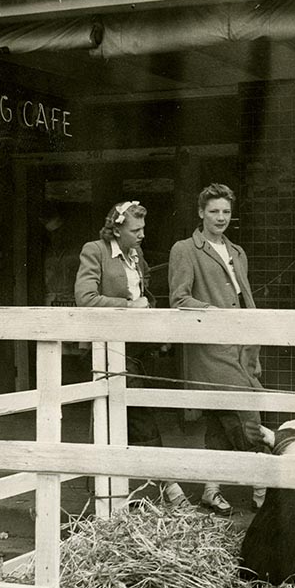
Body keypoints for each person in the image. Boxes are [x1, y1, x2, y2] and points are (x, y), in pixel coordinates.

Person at [75, 200, 186, 505]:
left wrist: (155, 329)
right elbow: (85, 299)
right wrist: (128, 306)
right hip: (109, 348)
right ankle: (169, 487)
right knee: (137, 415)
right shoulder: (95, 251)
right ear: (117, 228)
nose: (142, 234)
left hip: (138, 347)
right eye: (136, 229)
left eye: (143, 228)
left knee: (116, 416)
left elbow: (144, 295)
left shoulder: (137, 256)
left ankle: (102, 494)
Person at [168, 184, 267, 514]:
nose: (221, 217)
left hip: (244, 346)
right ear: (200, 213)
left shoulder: (237, 252)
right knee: (245, 417)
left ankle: (211, 490)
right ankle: (263, 488)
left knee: (219, 420)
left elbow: (245, 298)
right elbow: (180, 298)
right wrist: (216, 317)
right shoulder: (185, 249)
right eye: (214, 211)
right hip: (213, 348)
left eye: (225, 211)